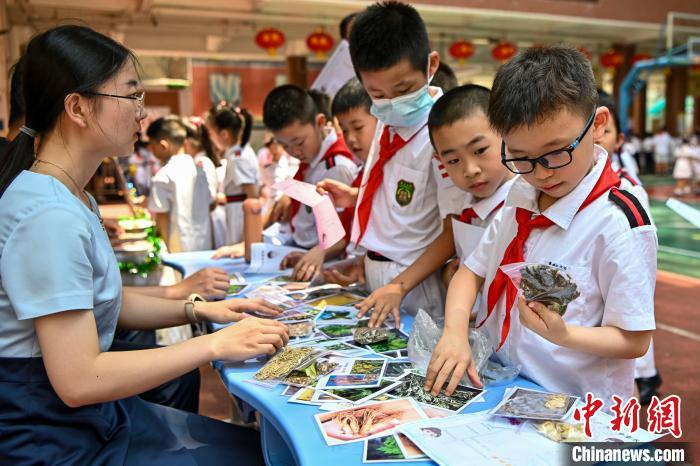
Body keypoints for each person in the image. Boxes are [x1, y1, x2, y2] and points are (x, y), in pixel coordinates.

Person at [0, 25, 289, 464]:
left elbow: (101, 301)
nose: (142, 113)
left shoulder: (71, 197)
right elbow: (79, 380)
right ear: (77, 107)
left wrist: (197, 308)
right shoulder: (49, 216)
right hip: (56, 437)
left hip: (88, 419)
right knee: (257, 455)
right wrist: (212, 345)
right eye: (131, 96)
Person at [425, 46, 656, 404]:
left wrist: (565, 334)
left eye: (555, 153)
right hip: (506, 385)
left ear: (597, 124)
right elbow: (470, 273)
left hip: (576, 406)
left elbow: (634, 340)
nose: (542, 173)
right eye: (520, 157)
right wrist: (455, 332)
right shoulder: (520, 191)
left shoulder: (617, 222)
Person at [322, 1, 465, 326]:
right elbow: (403, 201)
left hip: (416, 282)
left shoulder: (443, 131)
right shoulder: (384, 117)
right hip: (379, 273)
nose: (393, 102)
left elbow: (455, 226)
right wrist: (357, 205)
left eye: (403, 89)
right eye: (377, 93)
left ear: (430, 65)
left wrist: (399, 284)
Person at [262, 84, 358, 281]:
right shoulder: (311, 163)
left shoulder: (335, 167)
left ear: (320, 122)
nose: (294, 151)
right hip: (309, 255)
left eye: (299, 142)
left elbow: (342, 234)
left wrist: (319, 252)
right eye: (284, 145)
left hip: (328, 265)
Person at [428, 84, 516, 288]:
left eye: (479, 150)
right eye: (453, 161)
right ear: (438, 159)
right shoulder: (461, 201)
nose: (470, 170)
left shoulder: (525, 204)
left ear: (506, 133)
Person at [147, 116, 213, 252]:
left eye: (152, 146)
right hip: (204, 244)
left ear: (163, 145)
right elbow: (210, 203)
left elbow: (162, 217)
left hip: (177, 248)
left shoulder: (164, 175)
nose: (151, 151)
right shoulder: (199, 171)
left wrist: (167, 250)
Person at [207, 103, 259, 247]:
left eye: (211, 133)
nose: (210, 139)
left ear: (224, 134)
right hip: (236, 211)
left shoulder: (238, 157)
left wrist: (247, 234)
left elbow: (252, 194)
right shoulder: (237, 153)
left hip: (241, 214)